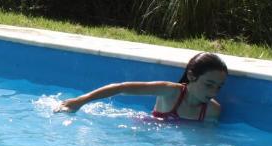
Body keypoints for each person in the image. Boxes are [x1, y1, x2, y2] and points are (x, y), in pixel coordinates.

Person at [55, 51, 228, 122]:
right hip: (147, 131)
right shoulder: (170, 91)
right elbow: (121, 88)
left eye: (219, 87)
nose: (214, 92)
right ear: (191, 76)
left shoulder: (213, 110)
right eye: (209, 84)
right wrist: (80, 101)